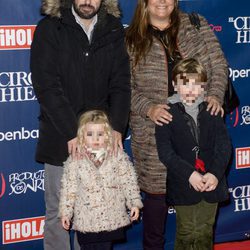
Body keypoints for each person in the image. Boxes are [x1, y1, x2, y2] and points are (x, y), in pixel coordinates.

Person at [125, 0, 228, 249]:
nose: (162, 1)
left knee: (201, 213)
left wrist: (214, 95)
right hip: (154, 134)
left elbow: (218, 64)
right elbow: (121, 86)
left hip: (199, 132)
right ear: (145, 2)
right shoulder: (128, 38)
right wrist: (147, 108)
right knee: (156, 210)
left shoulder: (196, 25)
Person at [30, 0, 130, 249]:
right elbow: (47, 86)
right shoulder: (50, 28)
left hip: (101, 139)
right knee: (58, 212)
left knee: (96, 210)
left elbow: (121, 82)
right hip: (60, 137)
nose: (87, 1)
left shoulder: (114, 28)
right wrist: (72, 132)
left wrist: (117, 127)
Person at [155, 58, 232, 250]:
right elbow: (165, 152)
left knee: (205, 229)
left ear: (204, 86)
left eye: (196, 84)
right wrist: (190, 174)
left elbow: (224, 146)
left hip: (212, 182)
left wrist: (214, 174)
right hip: (183, 183)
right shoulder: (166, 112)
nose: (191, 89)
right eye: (184, 83)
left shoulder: (212, 109)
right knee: (187, 230)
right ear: (174, 85)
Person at [59, 110, 143, 250]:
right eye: (90, 134)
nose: (95, 139)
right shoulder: (75, 159)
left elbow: (128, 181)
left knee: (105, 247)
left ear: (108, 134)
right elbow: (68, 189)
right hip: (86, 220)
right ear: (81, 135)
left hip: (110, 218)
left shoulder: (117, 156)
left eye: (100, 134)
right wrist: (65, 213)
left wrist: (134, 202)